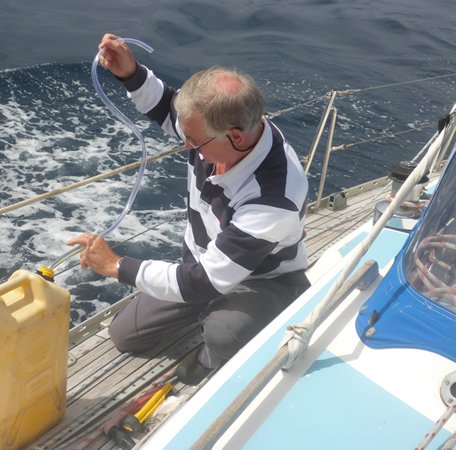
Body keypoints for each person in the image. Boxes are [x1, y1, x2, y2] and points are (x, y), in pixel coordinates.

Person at [67, 33, 310, 385]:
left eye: (194, 141)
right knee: (124, 334)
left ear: (236, 136)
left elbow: (204, 282)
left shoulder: (273, 198)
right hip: (202, 267)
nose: (186, 145)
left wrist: (115, 266)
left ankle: (213, 357)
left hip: (263, 281)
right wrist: (130, 72)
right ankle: (211, 314)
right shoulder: (219, 130)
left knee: (225, 333)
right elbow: (169, 107)